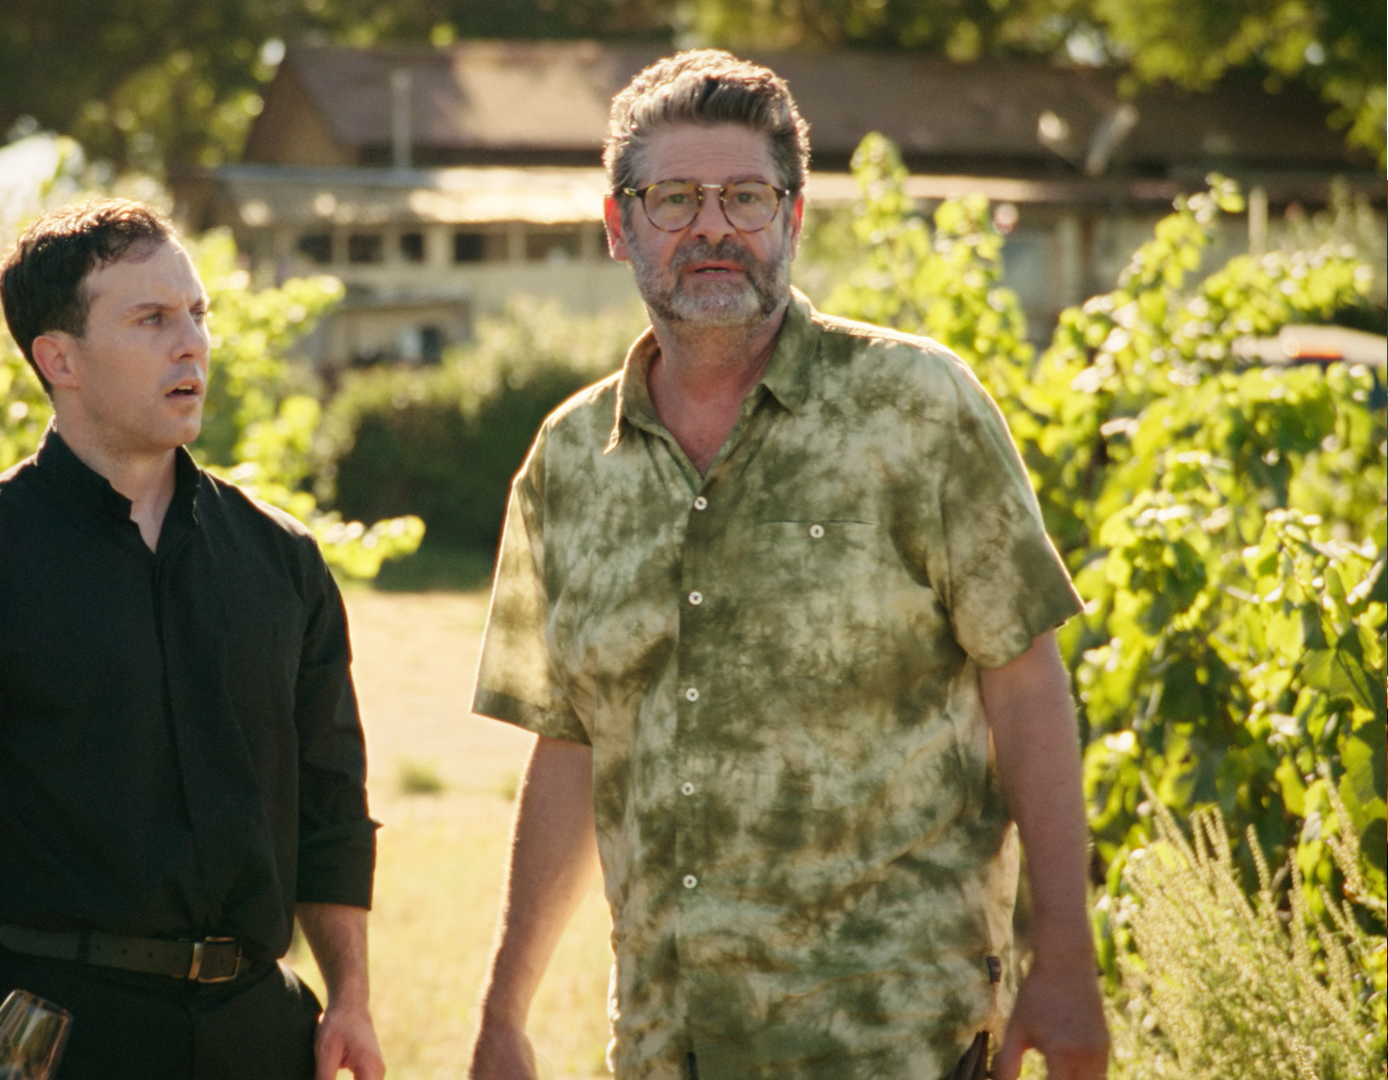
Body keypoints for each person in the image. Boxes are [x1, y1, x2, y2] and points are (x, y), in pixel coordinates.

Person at [465, 51, 1109, 1080]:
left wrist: (1065, 960)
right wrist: (505, 1013)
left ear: (794, 220)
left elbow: (1023, 683)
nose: (713, 227)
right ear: (617, 224)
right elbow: (570, 746)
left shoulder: (917, 406)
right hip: (669, 1047)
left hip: (898, 1040)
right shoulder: (569, 460)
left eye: (747, 196)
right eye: (673, 198)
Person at [0, 199, 384, 1080]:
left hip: (259, 1033)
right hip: (55, 1038)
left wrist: (350, 998)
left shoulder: (281, 562)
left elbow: (331, 800)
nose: (193, 344)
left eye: (198, 314)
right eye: (152, 319)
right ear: (59, 359)